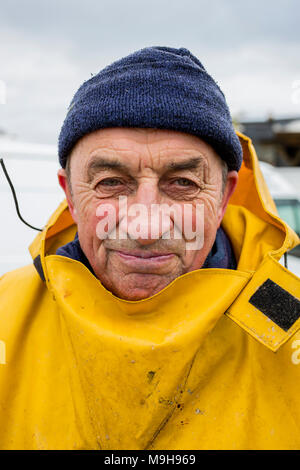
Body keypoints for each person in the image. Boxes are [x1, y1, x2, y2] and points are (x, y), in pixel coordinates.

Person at [0, 46, 299, 450]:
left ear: (224, 196)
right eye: (110, 183)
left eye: (182, 184)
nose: (145, 226)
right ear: (70, 195)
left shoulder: (289, 328)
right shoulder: (6, 314)